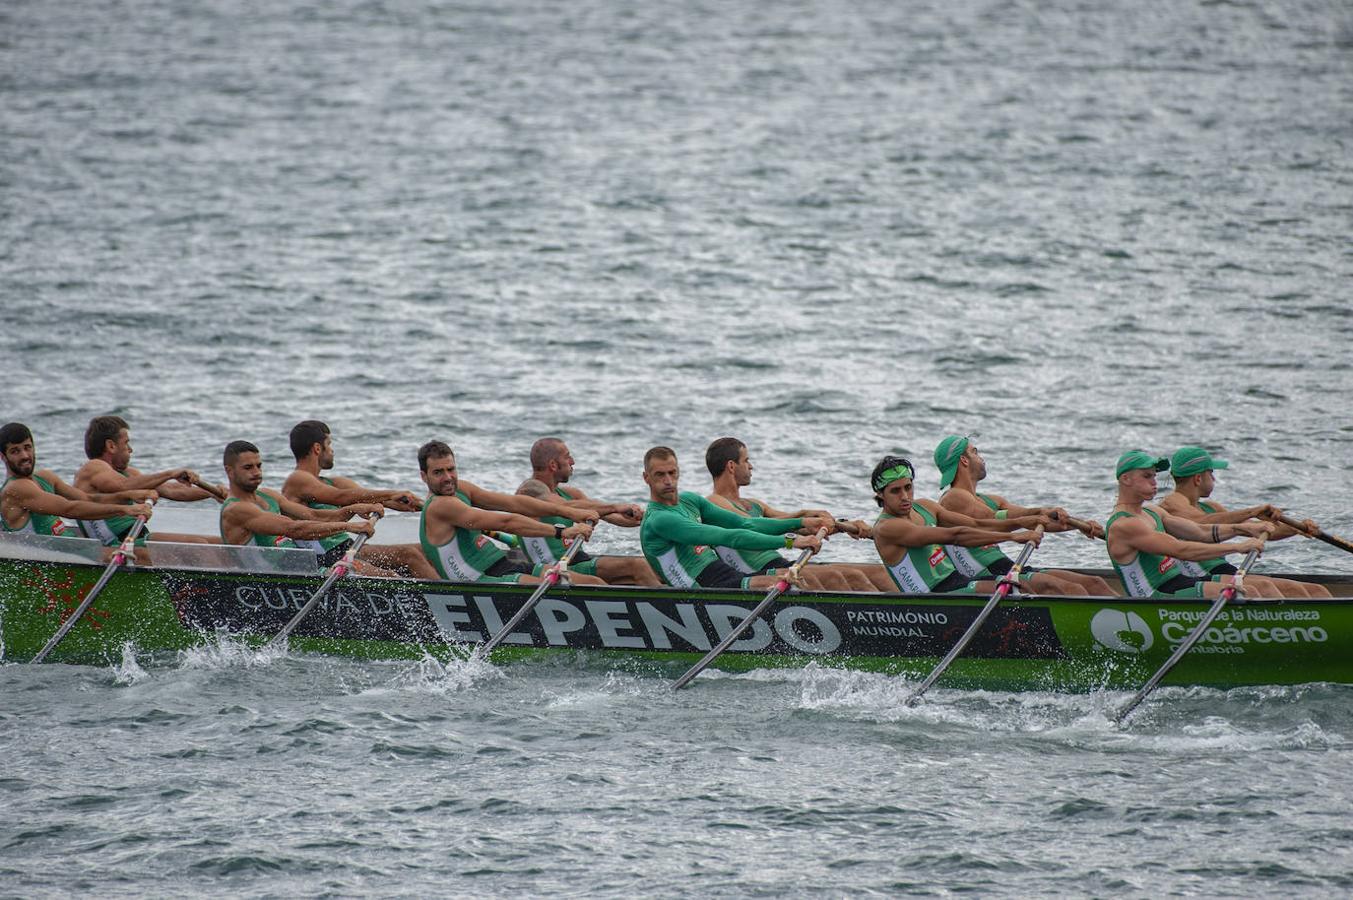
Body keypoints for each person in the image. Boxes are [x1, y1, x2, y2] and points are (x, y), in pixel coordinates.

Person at [933, 435, 1114, 596]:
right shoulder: (953, 497)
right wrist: (1039, 512)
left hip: (1008, 567)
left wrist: (1080, 525)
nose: (982, 458)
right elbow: (993, 518)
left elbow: (1033, 521)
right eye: (975, 452)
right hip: (986, 576)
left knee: (1095, 583)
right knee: (1071, 590)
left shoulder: (990, 499)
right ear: (964, 460)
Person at [703, 437, 885, 591]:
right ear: (731, 466)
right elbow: (751, 525)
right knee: (844, 576)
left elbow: (799, 528)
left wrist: (843, 525)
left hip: (783, 564)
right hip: (758, 574)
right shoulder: (714, 502)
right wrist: (803, 515)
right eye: (746, 461)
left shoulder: (755, 504)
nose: (751, 467)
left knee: (877, 572)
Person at [639, 446, 831, 590]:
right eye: (660, 475)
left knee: (807, 577)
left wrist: (802, 522)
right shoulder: (660, 520)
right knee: (792, 582)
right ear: (646, 478)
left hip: (723, 574)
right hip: (699, 589)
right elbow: (729, 537)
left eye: (672, 473)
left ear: (678, 471)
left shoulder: (690, 500)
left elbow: (745, 523)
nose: (668, 481)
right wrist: (791, 542)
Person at [417, 440, 605, 584]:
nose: (448, 478)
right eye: (438, 472)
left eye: (451, 469)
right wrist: (562, 531)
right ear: (424, 476)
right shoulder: (440, 506)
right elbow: (505, 522)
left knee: (591, 584)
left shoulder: (461, 489)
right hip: (478, 580)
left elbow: (514, 504)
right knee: (563, 589)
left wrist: (568, 512)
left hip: (501, 565)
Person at [1154, 446, 1330, 598]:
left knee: (1316, 590)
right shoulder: (1171, 504)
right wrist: (1253, 511)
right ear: (1198, 478)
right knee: (1266, 587)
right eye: (1212, 473)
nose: (1214, 479)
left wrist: (1298, 527)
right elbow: (1199, 524)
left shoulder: (1211, 507)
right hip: (1200, 577)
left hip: (1223, 569)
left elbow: (1259, 530)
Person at [1106, 449, 1278, 599]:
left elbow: (1199, 532)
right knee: (1249, 592)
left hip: (1179, 583)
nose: (1154, 482)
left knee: (1263, 587)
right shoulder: (1124, 525)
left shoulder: (1153, 512)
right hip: (1156, 596)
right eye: (1147, 476)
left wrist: (1243, 528)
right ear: (1126, 479)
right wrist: (1237, 547)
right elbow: (1180, 550)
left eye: (1154, 476)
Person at [282, 420, 439, 580]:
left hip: (347, 549)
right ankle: (446, 598)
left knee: (426, 551)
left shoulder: (332, 482)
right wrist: (391, 494)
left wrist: (425, 506)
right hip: (325, 558)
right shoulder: (298, 479)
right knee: (402, 563)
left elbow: (371, 497)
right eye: (329, 444)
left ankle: (455, 590)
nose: (332, 450)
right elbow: (340, 497)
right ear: (317, 448)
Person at [869, 455, 1045, 595]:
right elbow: (955, 536)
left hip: (955, 581)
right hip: (931, 597)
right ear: (880, 494)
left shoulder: (925, 507)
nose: (905, 496)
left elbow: (976, 524)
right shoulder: (887, 528)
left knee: (1020, 587)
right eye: (895, 491)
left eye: (908, 487)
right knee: (1013, 590)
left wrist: (1023, 522)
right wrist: (1012, 537)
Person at [218, 440, 386, 571]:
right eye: (248, 467)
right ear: (230, 471)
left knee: (385, 575)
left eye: (259, 466)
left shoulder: (269, 495)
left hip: (302, 568)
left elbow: (314, 516)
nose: (256, 472)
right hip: (272, 581)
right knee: (369, 573)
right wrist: (349, 527)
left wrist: (352, 509)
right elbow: (295, 529)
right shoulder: (236, 509)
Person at [515, 437, 658, 585]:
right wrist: (615, 506)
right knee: (636, 567)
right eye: (567, 457)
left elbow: (614, 517)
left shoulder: (571, 494)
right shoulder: (529, 491)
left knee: (652, 567)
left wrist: (643, 516)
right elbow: (565, 507)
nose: (572, 462)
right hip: (555, 570)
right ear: (553, 465)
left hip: (578, 562)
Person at [73, 415, 221, 545]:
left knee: (216, 543)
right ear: (111, 446)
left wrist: (212, 493)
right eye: (126, 443)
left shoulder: (125, 472)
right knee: (196, 545)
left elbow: (172, 490)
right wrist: (170, 473)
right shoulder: (93, 467)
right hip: (114, 545)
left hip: (135, 537)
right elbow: (122, 485)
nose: (130, 449)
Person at [1, 422, 155, 540]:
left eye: (27, 447)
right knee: (146, 555)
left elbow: (88, 498)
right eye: (15, 451)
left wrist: (128, 496)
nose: (25, 456)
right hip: (49, 562)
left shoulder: (45, 477)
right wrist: (125, 510)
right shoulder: (16, 488)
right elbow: (69, 509)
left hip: (72, 551)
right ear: (3, 457)